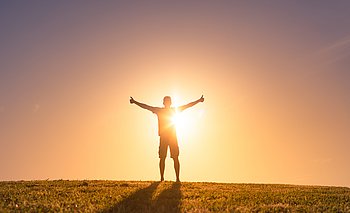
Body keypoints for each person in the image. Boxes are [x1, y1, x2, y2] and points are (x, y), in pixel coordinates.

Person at [130, 95, 204, 182]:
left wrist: (198, 100)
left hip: (172, 137)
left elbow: (187, 105)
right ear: (164, 102)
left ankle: (177, 178)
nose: (168, 103)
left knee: (175, 157)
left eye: (169, 101)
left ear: (170, 102)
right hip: (163, 137)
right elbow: (146, 107)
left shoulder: (174, 110)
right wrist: (135, 102)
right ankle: (162, 178)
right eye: (166, 101)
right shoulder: (159, 110)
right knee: (162, 157)